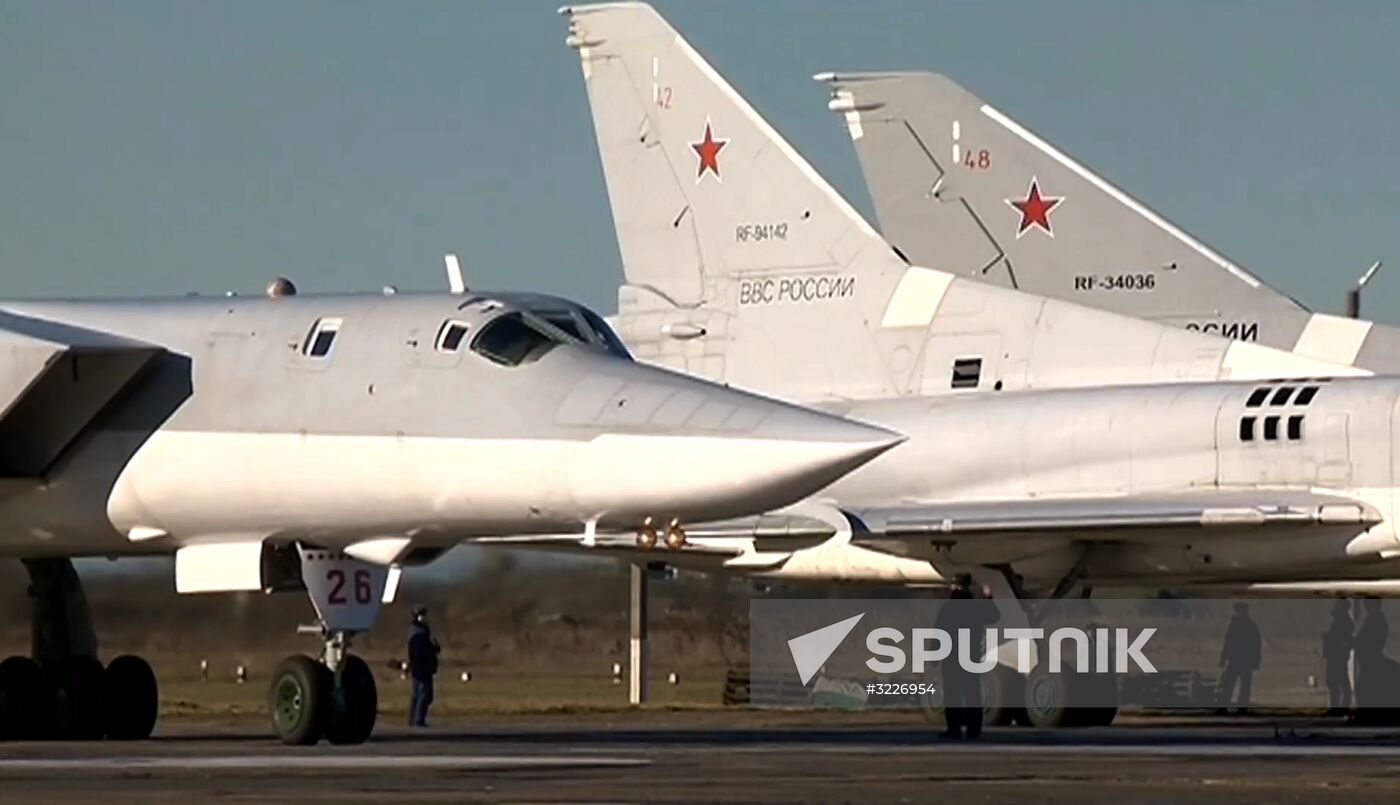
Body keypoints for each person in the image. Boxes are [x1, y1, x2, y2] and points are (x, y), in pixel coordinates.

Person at [933, 574, 998, 740]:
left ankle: (959, 729)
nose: (954, 589)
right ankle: (969, 730)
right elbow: (993, 616)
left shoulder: (950, 609)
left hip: (958, 656)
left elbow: (938, 633)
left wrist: (933, 655)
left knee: (959, 694)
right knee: (966, 694)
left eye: (956, 586)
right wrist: (988, 598)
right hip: (965, 656)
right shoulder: (972, 607)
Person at [1216, 602, 1261, 715]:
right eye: (1238, 611)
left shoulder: (1251, 626)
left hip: (1246, 661)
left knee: (1244, 687)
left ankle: (1242, 708)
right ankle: (1223, 707)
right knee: (1228, 685)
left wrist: (1256, 661)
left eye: (1241, 611)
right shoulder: (1233, 625)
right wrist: (1223, 657)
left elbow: (1256, 645)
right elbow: (1228, 642)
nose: (1239, 613)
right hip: (1234, 660)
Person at [407, 605, 441, 728]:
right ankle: (418, 720)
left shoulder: (417, 631)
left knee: (417, 694)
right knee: (424, 694)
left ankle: (413, 719)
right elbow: (422, 651)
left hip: (419, 667)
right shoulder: (419, 632)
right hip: (422, 668)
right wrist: (433, 650)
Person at [1321, 600, 1354, 717]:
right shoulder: (1341, 621)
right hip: (1335, 656)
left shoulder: (1345, 621)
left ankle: (1341, 707)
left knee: (1340, 682)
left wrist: (1330, 640)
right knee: (1334, 682)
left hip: (1338, 657)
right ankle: (1336, 707)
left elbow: (1343, 640)